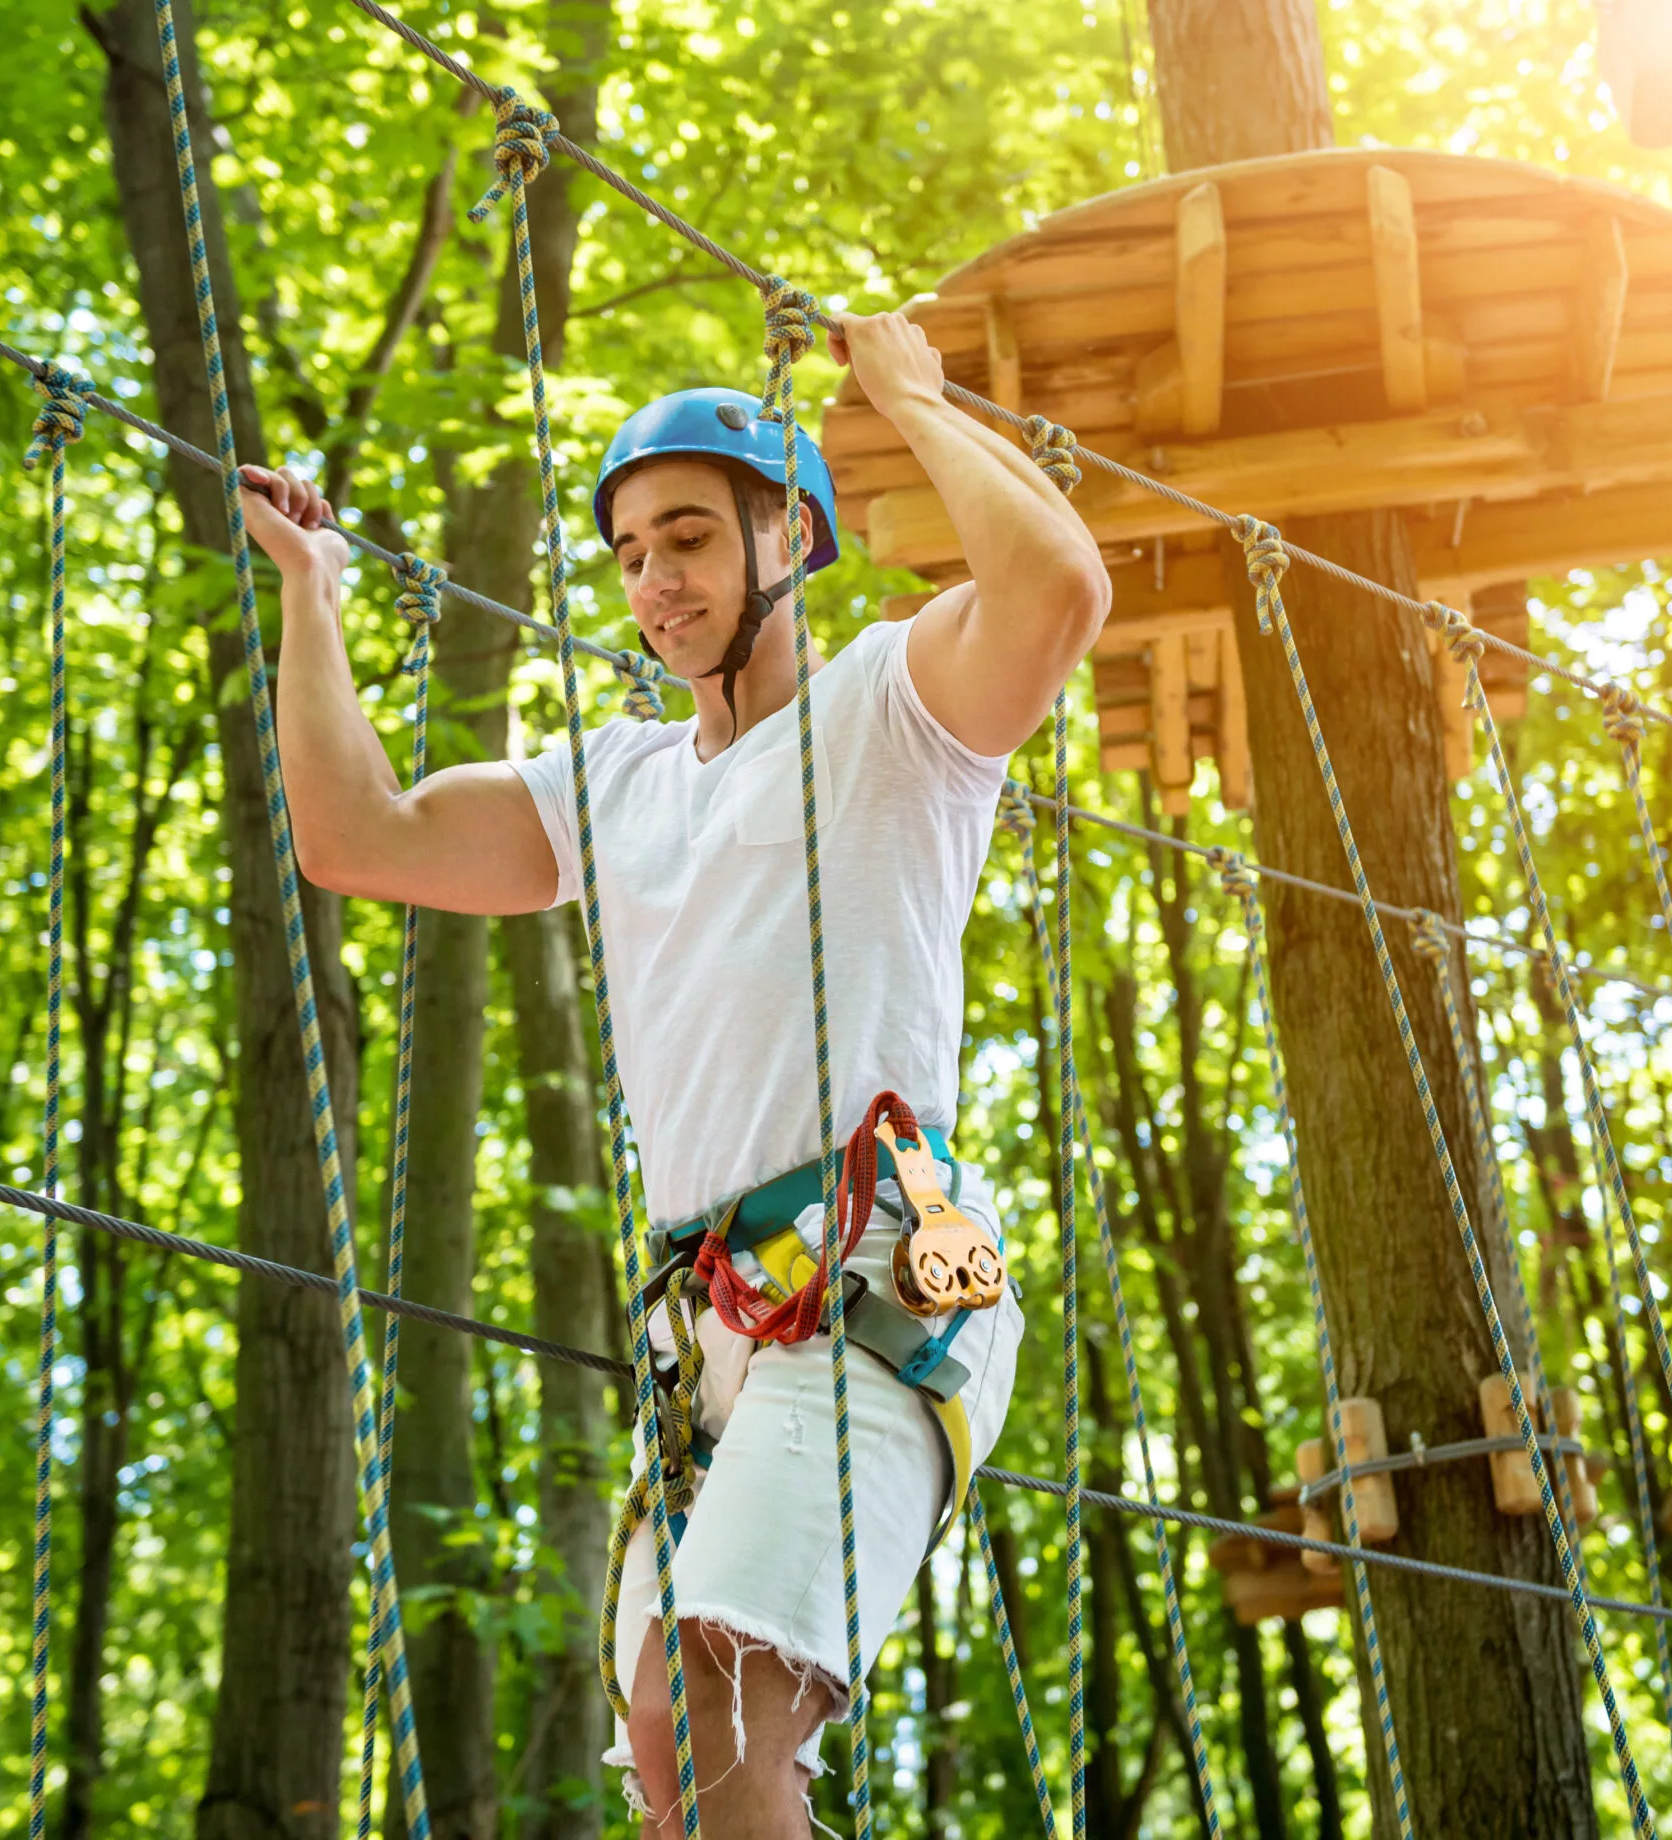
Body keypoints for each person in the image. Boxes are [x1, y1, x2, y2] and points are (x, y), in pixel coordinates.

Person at [242, 310, 1109, 1837]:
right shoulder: (618, 784)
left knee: (708, 1688)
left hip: (877, 1271)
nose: (656, 584)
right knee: (664, 1752)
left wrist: (907, 397)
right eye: (634, 553)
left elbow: (1055, 589)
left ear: (795, 535)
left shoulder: (895, 707)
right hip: (703, 1325)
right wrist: (311, 596)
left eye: (694, 538)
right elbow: (355, 836)